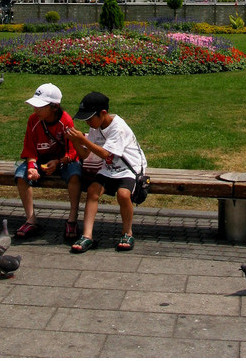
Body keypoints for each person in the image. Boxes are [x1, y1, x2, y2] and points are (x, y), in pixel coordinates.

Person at [65, 91, 147, 253]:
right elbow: (85, 154)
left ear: (103, 113)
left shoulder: (118, 127)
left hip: (129, 169)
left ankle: (127, 232)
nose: (88, 122)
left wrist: (82, 140)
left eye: (90, 118)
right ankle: (87, 235)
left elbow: (106, 154)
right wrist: (75, 142)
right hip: (109, 169)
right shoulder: (97, 126)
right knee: (92, 191)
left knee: (123, 194)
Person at [14, 83, 82, 241]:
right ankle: (30, 219)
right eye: (35, 106)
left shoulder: (65, 121)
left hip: (62, 161)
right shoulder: (33, 120)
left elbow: (72, 152)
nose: (35, 110)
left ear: (54, 107)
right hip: (41, 160)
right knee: (20, 176)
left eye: (40, 107)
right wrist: (31, 167)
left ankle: (72, 218)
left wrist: (58, 162)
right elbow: (29, 148)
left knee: (75, 175)